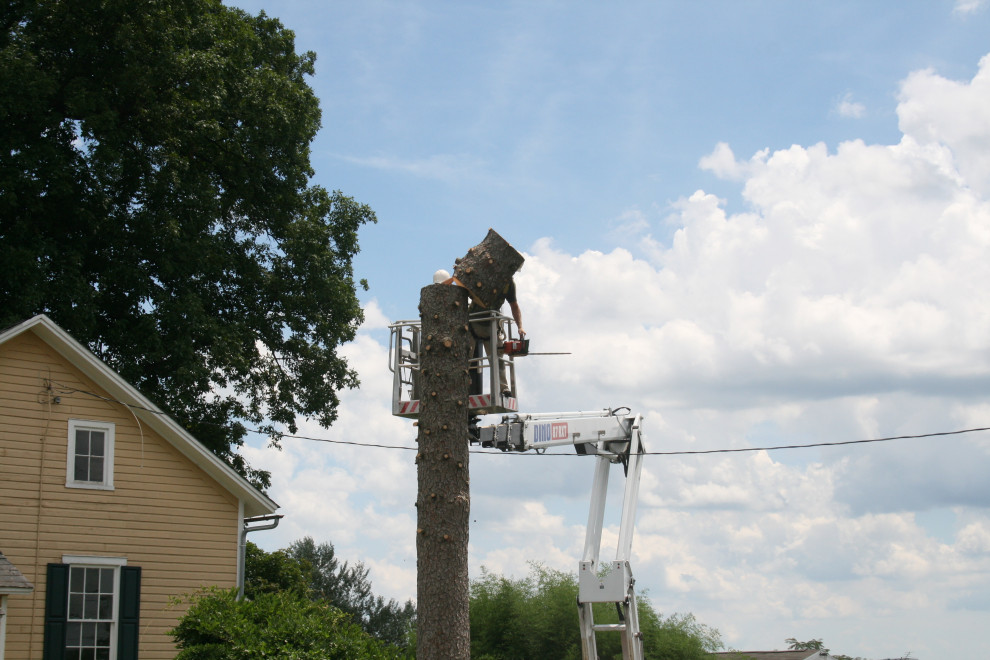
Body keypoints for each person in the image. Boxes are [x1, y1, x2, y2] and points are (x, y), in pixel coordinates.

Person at [469, 278, 523, 397]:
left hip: (492, 325)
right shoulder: (484, 275)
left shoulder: (508, 284)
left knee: (498, 359)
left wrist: (520, 327)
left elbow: (514, 305)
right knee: (464, 357)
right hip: (472, 323)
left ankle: (504, 388)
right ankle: (460, 385)